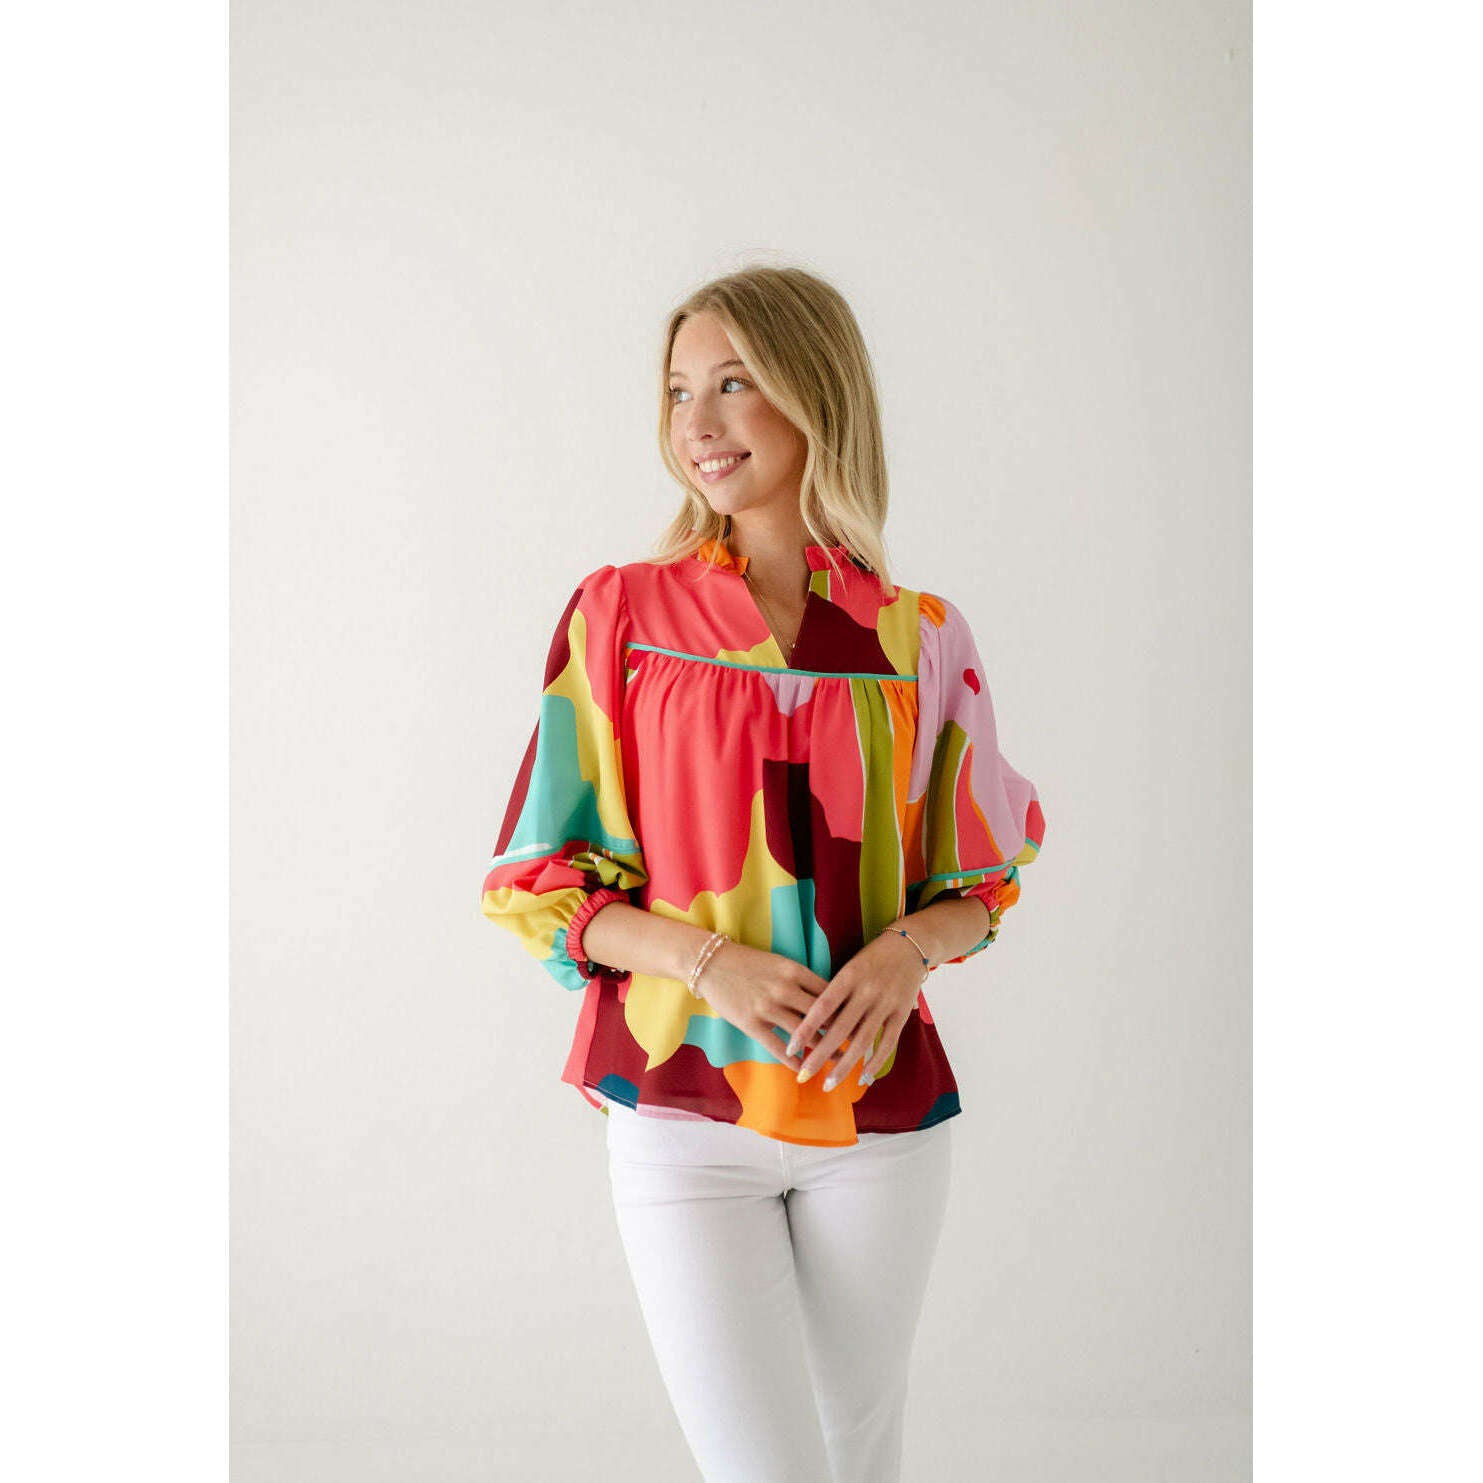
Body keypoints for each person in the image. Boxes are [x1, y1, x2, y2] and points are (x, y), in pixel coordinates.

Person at [480, 265, 1045, 1483]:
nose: (697, 421)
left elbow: (984, 875)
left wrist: (903, 954)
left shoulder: (918, 635)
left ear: (814, 392)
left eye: (733, 383)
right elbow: (540, 879)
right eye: (678, 390)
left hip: (874, 1115)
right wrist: (707, 961)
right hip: (683, 1113)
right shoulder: (622, 615)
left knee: (859, 1456)